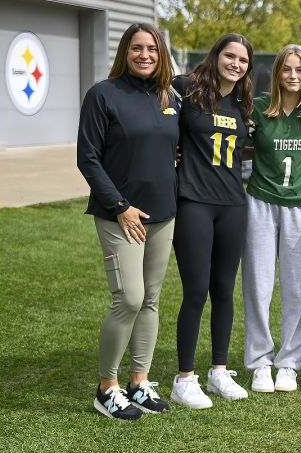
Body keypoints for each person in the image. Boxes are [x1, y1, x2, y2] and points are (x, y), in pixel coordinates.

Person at [77, 23, 179, 420]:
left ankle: (139, 382)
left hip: (162, 214)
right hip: (120, 215)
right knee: (130, 299)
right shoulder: (103, 95)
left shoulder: (170, 96)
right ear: (125, 52)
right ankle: (107, 387)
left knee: (151, 300)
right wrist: (120, 206)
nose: (145, 55)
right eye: (137, 48)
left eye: (152, 49)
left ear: (161, 54)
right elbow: (87, 157)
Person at [170, 33, 254, 409]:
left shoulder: (243, 101)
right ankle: (184, 378)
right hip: (194, 202)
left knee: (224, 289)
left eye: (243, 60)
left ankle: (218, 370)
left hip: (232, 204)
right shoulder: (185, 88)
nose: (235, 64)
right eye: (230, 56)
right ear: (216, 55)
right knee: (196, 289)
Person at [242, 45, 301, 394]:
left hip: (299, 207)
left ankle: (288, 362)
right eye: (287, 69)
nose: (293, 76)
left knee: (295, 288)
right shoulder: (259, 109)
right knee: (258, 286)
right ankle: (260, 361)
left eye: (300, 70)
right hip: (260, 202)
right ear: (277, 73)